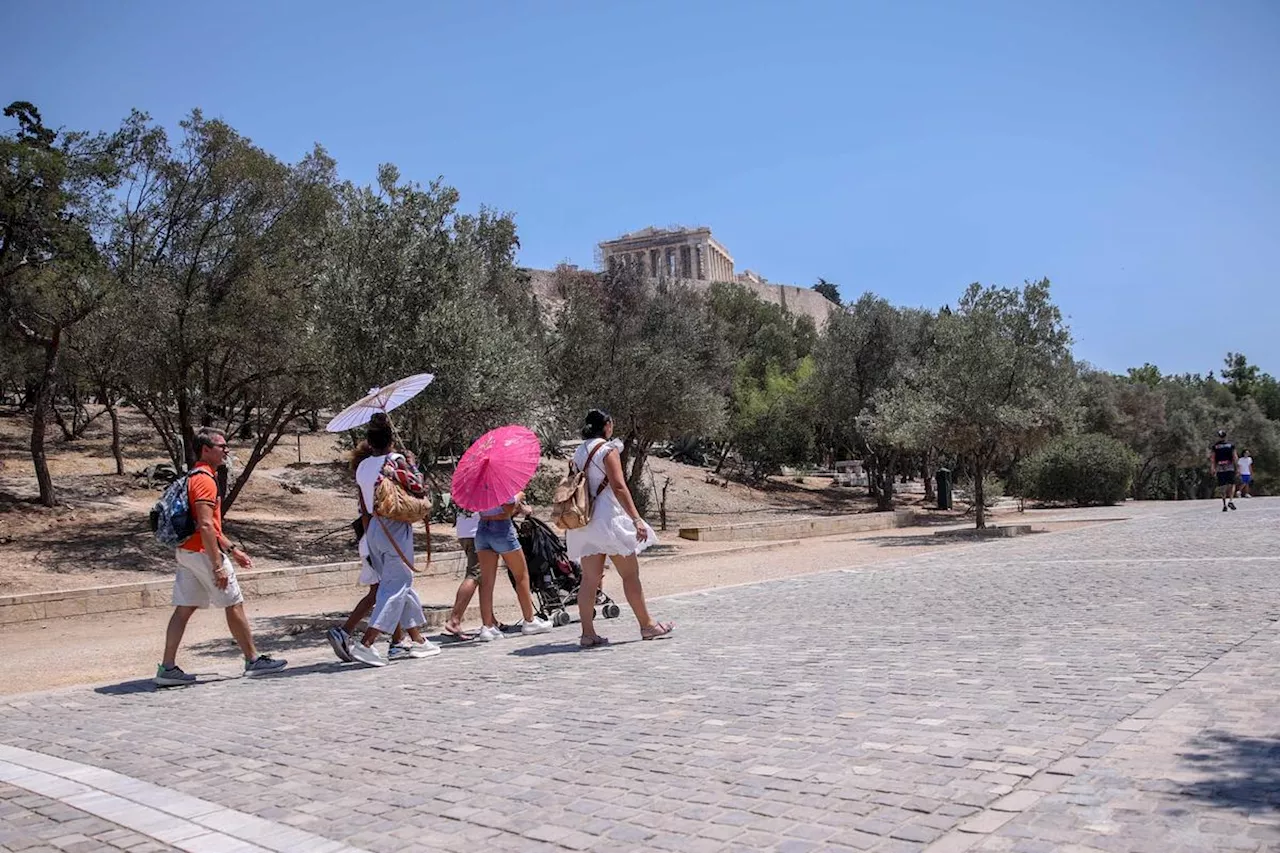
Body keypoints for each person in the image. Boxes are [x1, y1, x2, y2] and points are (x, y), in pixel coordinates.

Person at [154, 428, 286, 686]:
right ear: (206, 450)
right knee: (233, 603)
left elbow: (209, 527)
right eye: (221, 446)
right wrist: (218, 566)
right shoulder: (205, 479)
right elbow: (205, 526)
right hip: (204, 553)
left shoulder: (194, 477)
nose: (226, 450)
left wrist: (233, 549)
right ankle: (253, 659)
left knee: (183, 609)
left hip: (187, 551)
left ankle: (167, 667)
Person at [566, 409, 673, 647]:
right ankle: (647, 625)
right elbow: (619, 486)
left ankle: (587, 633)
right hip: (607, 518)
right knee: (630, 575)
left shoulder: (579, 450)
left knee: (589, 580)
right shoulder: (607, 449)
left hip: (584, 520)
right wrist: (636, 519)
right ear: (607, 426)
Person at [346, 413, 441, 667]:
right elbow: (419, 486)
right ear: (390, 439)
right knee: (397, 584)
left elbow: (363, 504)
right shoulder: (395, 460)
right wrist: (411, 462)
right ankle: (366, 643)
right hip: (394, 527)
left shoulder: (363, 467)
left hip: (374, 528)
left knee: (401, 583)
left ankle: (418, 640)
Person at [474, 494, 552, 642]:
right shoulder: (500, 482)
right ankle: (529, 620)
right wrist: (520, 495)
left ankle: (487, 626)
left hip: (482, 527)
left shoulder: (477, 483)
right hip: (501, 528)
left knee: (486, 581)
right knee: (521, 575)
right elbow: (507, 508)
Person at [442, 508, 481, 639]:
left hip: (464, 530)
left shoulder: (462, 487)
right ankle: (455, 619)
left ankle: (490, 618)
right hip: (476, 531)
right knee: (475, 574)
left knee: (483, 576)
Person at [1210, 429, 1238, 512]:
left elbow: (1212, 458)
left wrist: (1212, 467)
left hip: (1219, 466)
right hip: (1229, 466)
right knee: (1232, 484)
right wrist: (1237, 468)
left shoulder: (1215, 446)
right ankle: (1231, 501)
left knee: (1222, 485)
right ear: (1225, 436)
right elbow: (1235, 457)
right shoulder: (1231, 445)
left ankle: (1224, 504)